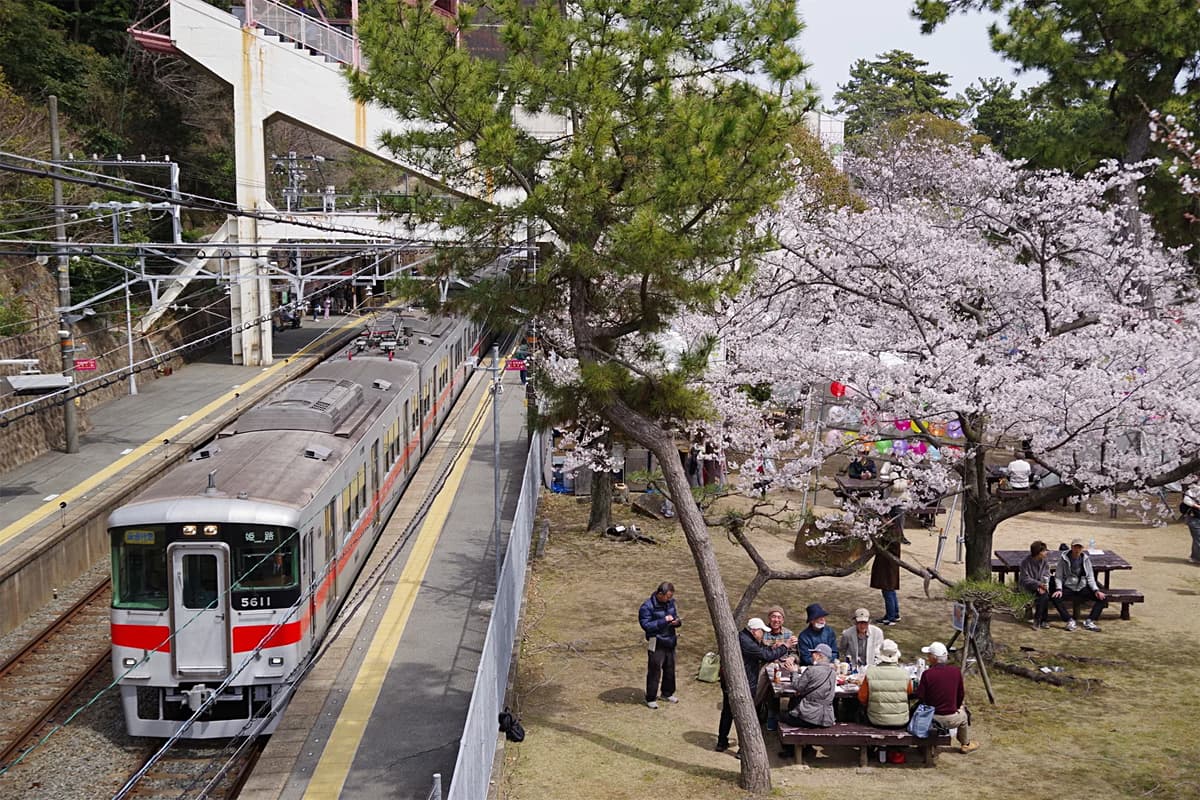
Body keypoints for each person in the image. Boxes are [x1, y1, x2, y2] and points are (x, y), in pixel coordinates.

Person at [716, 617, 793, 752]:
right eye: (762, 631)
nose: (763, 634)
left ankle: (722, 742)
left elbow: (762, 649)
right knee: (745, 715)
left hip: (730, 681)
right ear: (754, 631)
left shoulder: (744, 638)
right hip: (743, 683)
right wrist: (785, 646)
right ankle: (743, 748)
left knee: (728, 712)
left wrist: (773, 647)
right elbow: (765, 655)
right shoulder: (746, 642)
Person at [916, 641, 979, 753]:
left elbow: (920, 696)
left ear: (934, 658)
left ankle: (922, 743)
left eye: (929, 655)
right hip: (952, 717)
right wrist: (957, 707)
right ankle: (965, 744)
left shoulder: (927, 674)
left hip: (932, 718)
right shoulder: (955, 672)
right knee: (964, 717)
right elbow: (960, 694)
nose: (927, 657)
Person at [778, 643, 837, 758]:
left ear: (819, 655)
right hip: (827, 716)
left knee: (782, 716)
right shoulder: (833, 672)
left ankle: (790, 750)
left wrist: (793, 672)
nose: (811, 656)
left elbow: (798, 686)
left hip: (810, 715)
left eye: (814, 654)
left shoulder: (811, 670)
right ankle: (806, 747)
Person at [638, 582, 681, 708]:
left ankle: (667, 693)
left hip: (670, 640)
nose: (669, 599)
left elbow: (675, 616)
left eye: (671, 596)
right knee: (654, 671)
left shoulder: (671, 603)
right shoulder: (647, 607)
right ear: (660, 594)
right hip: (656, 641)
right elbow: (646, 626)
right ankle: (651, 697)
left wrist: (677, 622)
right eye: (667, 596)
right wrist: (663, 621)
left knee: (670, 669)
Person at [1051, 539, 1107, 631]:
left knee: (1103, 598)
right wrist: (1059, 589)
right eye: (1075, 547)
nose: (1077, 549)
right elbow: (1058, 576)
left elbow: (1090, 577)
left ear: (1082, 549)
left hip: (1082, 586)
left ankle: (1090, 621)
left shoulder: (1086, 559)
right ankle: (1069, 620)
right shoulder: (1064, 559)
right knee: (1055, 597)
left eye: (1079, 547)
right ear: (1072, 547)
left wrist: (1096, 590)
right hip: (1068, 586)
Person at [856, 638, 911, 728]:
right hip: (901, 720)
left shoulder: (871, 672)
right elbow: (909, 693)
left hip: (876, 719)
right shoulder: (905, 673)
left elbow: (862, 697)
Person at [761, 606, 794, 731]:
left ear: (783, 620)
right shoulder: (763, 632)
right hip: (767, 665)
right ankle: (771, 716)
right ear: (769, 618)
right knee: (771, 687)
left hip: (785, 666)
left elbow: (795, 653)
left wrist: (792, 658)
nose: (776, 620)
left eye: (779, 617)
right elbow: (760, 651)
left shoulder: (788, 633)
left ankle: (790, 715)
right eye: (773, 617)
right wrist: (773, 648)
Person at [870, 515, 902, 626]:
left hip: (888, 564)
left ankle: (890, 616)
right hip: (889, 564)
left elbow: (884, 546)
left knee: (887, 591)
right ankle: (895, 614)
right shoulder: (895, 529)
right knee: (890, 591)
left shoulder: (892, 531)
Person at [1019, 540, 1052, 629]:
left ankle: (1042, 620)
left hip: (1041, 585)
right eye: (1044, 551)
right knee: (1042, 595)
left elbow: (1047, 574)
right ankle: (1039, 620)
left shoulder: (1044, 561)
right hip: (1028, 586)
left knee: (1044, 595)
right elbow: (1025, 578)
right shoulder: (1025, 562)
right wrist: (1038, 585)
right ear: (1039, 552)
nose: (1046, 552)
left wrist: (1043, 584)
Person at [1182, 484, 1200, 564]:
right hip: (1194, 518)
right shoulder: (1193, 489)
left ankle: (1195, 557)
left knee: (1197, 539)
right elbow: (1186, 500)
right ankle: (1196, 558)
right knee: (1198, 539)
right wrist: (1197, 506)